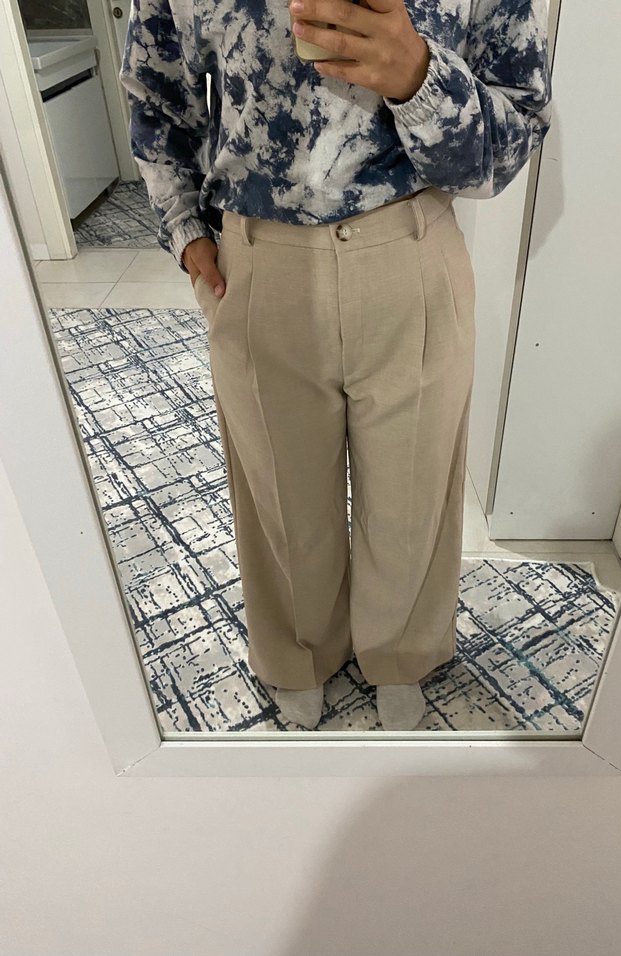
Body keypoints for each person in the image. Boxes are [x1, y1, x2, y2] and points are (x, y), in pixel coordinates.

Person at [119, 0, 552, 731]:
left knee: (413, 489)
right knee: (279, 490)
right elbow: (155, 93)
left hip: (408, 243)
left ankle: (401, 651)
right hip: (261, 257)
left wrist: (419, 78)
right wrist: (186, 228)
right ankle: (299, 650)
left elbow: (513, 137)